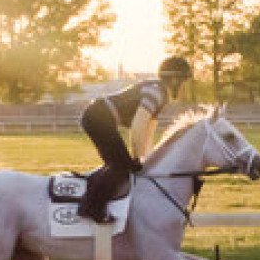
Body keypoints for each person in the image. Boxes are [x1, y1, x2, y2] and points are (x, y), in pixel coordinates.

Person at [77, 56, 192, 223]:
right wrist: (137, 158)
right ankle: (90, 208)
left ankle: (94, 192)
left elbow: (148, 128)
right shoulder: (157, 92)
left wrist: (148, 158)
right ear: (174, 80)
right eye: (183, 81)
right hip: (98, 117)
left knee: (120, 164)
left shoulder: (160, 92)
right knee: (121, 166)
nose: (183, 87)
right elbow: (138, 126)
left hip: (99, 116)